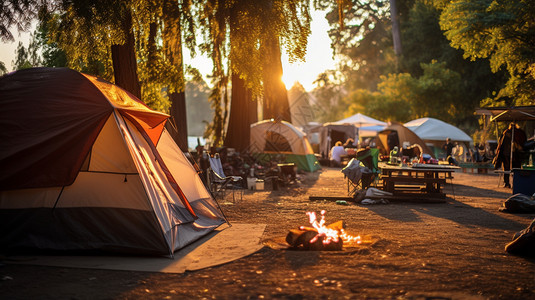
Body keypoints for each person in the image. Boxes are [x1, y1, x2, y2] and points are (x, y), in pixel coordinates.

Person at [493, 123, 527, 188]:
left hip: (511, 154)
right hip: (511, 154)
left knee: (509, 169)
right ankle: (510, 183)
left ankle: (510, 183)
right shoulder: (511, 133)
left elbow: (501, 144)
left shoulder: (516, 133)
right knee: (511, 169)